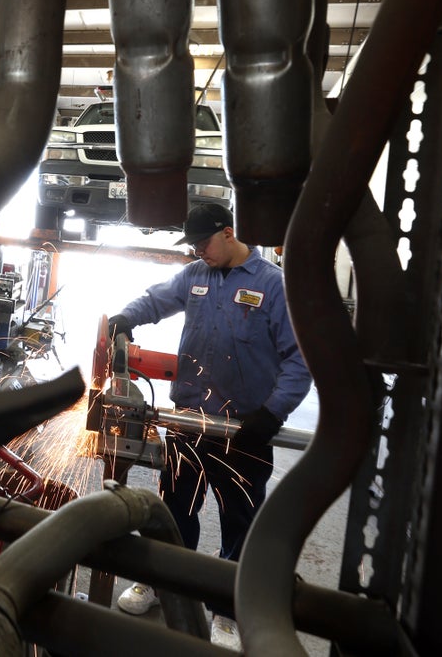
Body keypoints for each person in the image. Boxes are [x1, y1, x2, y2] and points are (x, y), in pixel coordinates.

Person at [108, 203, 313, 649]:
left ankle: (225, 608)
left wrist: (273, 412)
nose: (199, 251)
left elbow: (300, 359)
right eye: (194, 245)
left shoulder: (272, 285)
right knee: (174, 510)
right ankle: (164, 586)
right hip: (189, 421)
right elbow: (157, 298)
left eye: (204, 242)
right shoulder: (195, 276)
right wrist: (126, 316)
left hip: (244, 430)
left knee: (239, 520)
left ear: (229, 233)